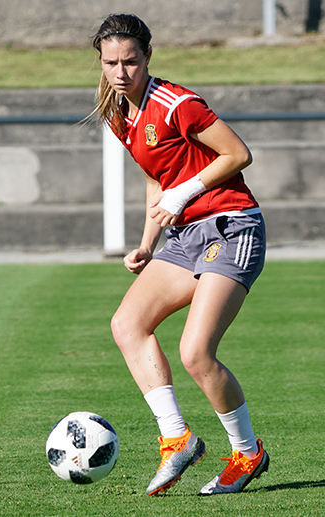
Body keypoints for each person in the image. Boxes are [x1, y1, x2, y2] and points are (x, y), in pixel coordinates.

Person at [90, 13, 269, 496]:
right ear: (100, 64)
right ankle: (177, 437)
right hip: (186, 234)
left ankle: (247, 452)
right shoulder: (119, 114)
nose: (121, 71)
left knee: (195, 353)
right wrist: (147, 243)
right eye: (111, 63)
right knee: (127, 325)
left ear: (148, 57)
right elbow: (157, 179)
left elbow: (237, 154)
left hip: (231, 226)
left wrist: (183, 192)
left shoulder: (179, 104)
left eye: (130, 60)